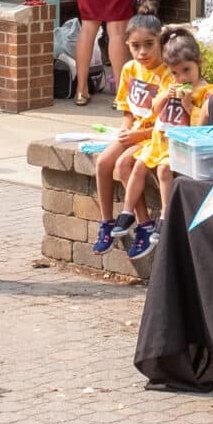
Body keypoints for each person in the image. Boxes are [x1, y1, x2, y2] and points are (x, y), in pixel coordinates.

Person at [116, 28, 210, 259]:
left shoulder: (206, 92)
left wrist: (189, 106)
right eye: (176, 73)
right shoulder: (170, 87)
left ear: (199, 63)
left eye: (187, 70)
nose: (182, 78)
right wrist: (166, 95)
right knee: (137, 166)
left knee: (163, 170)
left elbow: (202, 123)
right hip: (160, 141)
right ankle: (128, 212)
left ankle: (165, 215)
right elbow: (154, 109)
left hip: (179, 146)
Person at [91, 16, 168, 252]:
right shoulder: (129, 69)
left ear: (160, 42)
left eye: (149, 44)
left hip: (154, 135)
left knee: (124, 163)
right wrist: (126, 130)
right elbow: (128, 112)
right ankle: (106, 221)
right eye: (136, 46)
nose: (142, 52)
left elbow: (167, 122)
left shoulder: (168, 73)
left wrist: (137, 136)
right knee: (104, 162)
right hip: (135, 130)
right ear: (127, 44)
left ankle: (144, 223)